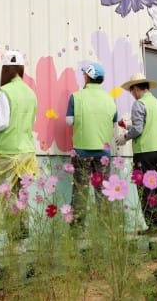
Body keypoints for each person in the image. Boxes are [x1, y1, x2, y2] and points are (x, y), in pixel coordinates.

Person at [0, 50, 38, 246]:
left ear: (5, 69)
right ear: (20, 69)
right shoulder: (30, 92)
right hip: (27, 153)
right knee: (21, 196)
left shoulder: (5, 91)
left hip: (9, 153)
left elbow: (2, 122)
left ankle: (14, 241)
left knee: (7, 197)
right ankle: (22, 242)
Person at [116, 73, 157, 235]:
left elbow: (138, 129)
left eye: (131, 91)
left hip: (144, 152)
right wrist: (131, 128)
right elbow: (147, 126)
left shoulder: (139, 104)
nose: (132, 94)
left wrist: (125, 136)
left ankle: (154, 225)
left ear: (136, 88)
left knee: (145, 190)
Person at [65, 62, 117, 233]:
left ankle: (77, 232)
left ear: (87, 77)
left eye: (84, 75)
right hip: (103, 153)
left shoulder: (76, 97)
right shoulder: (110, 99)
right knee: (103, 192)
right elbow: (114, 123)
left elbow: (69, 121)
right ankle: (105, 230)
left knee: (80, 192)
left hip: (81, 151)